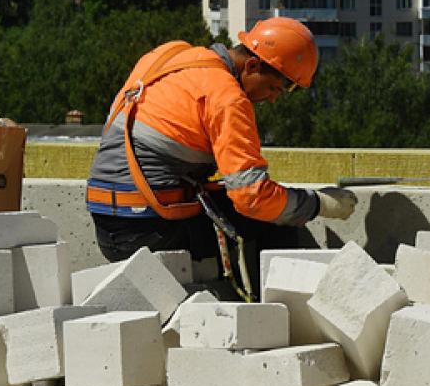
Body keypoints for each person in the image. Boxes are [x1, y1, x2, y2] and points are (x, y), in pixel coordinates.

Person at [87, 17, 357, 298]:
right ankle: (275, 314)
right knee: (272, 220)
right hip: (148, 232)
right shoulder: (227, 97)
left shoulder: (171, 55)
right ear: (252, 66)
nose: (274, 99)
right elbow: (252, 197)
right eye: (276, 88)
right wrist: (317, 204)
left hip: (106, 222)